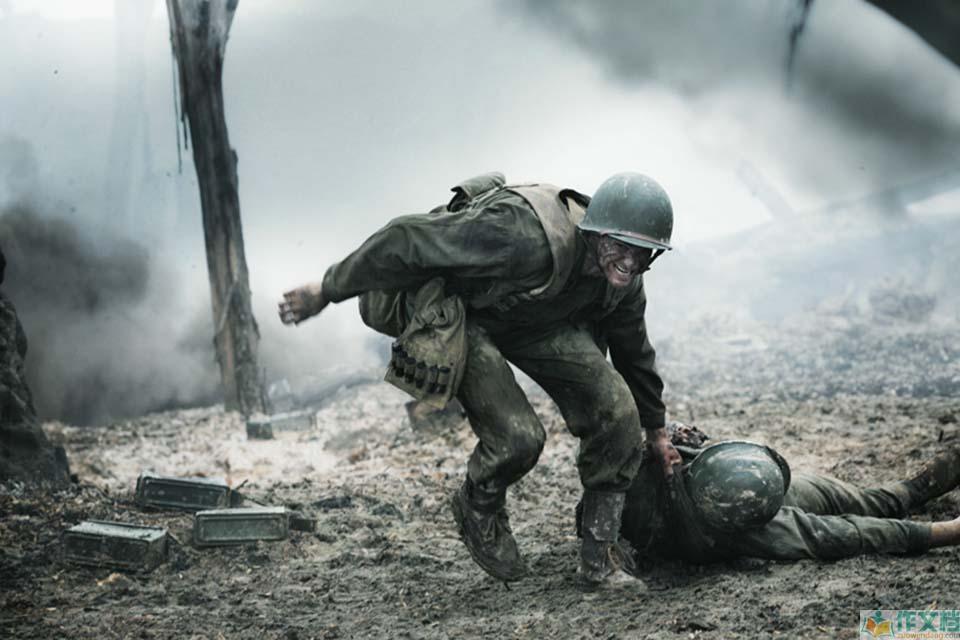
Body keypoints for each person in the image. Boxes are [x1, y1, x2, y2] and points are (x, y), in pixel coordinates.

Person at [279, 171, 681, 589]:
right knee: (518, 437)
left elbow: (634, 350)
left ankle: (600, 558)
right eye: (620, 246)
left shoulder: (624, 282)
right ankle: (479, 504)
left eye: (643, 252)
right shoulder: (520, 236)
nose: (630, 262)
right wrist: (326, 289)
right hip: (460, 310)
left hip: (529, 319)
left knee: (618, 412)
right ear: (596, 233)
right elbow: (405, 238)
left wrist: (656, 431)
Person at [597, 423, 960, 566]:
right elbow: (847, 535)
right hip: (727, 522)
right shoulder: (623, 509)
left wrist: (677, 438)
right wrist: (944, 533)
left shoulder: (652, 459)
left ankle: (920, 485)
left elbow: (663, 435)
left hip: (750, 483)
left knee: (853, 498)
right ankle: (930, 514)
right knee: (849, 524)